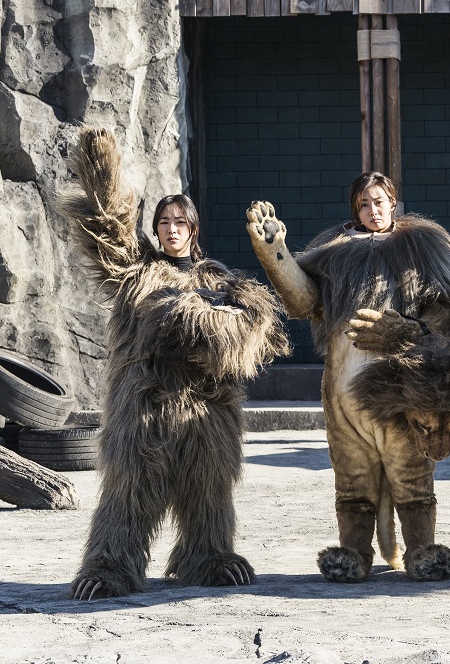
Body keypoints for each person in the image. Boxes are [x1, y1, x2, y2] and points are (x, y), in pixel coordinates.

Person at [59, 127, 289, 599]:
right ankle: (111, 565)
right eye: (164, 221)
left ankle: (206, 555)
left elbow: (252, 334)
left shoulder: (221, 279)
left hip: (208, 409)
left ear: (194, 229)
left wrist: (193, 316)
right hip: (145, 405)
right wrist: (101, 170)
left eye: (180, 221)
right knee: (129, 493)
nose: (171, 228)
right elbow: (107, 231)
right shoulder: (138, 271)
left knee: (208, 492)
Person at [246, 171, 450, 583]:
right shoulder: (334, 249)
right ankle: (353, 552)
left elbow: (449, 314)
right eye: (364, 204)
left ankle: (422, 550)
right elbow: (305, 302)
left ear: (394, 202)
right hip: (343, 392)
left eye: (380, 201)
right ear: (355, 209)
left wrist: (410, 329)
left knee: (412, 477)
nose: (373, 210)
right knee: (352, 479)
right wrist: (274, 254)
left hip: (401, 390)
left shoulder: (423, 245)